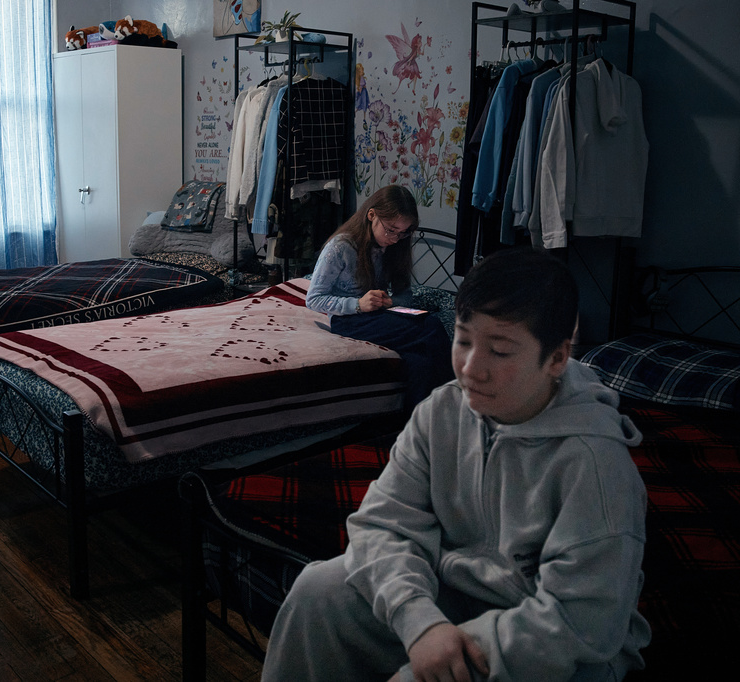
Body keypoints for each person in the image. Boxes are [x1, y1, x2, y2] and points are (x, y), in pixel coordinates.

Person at [262, 247, 651, 682]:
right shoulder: (441, 412)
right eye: (463, 340)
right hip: (454, 592)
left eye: (500, 351)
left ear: (557, 358)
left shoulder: (593, 462)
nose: (470, 368)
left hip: (554, 640)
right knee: (318, 591)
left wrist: (443, 654)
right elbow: (382, 524)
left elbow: (583, 621)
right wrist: (420, 622)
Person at [305, 185, 453, 409]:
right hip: (348, 319)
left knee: (420, 361)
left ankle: (416, 429)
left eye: (403, 232)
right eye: (391, 230)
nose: (395, 238)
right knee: (432, 326)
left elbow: (404, 294)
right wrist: (358, 304)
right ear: (371, 215)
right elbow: (314, 299)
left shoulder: (396, 246)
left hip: (381, 314)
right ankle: (456, 406)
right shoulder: (341, 247)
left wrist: (393, 302)